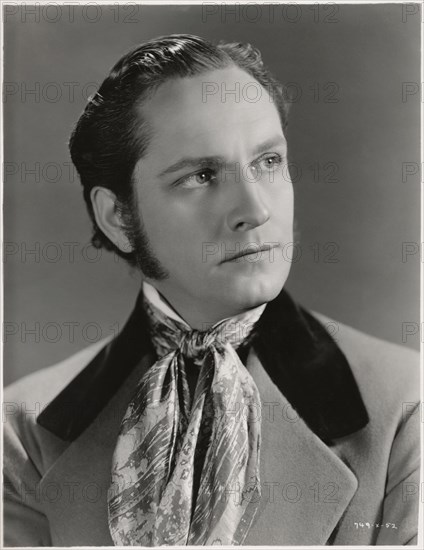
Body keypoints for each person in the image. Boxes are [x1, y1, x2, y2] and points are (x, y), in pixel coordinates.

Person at [3, 34, 420, 546]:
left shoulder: (405, 406)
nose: (256, 209)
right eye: (201, 175)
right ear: (118, 217)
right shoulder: (21, 433)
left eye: (268, 162)